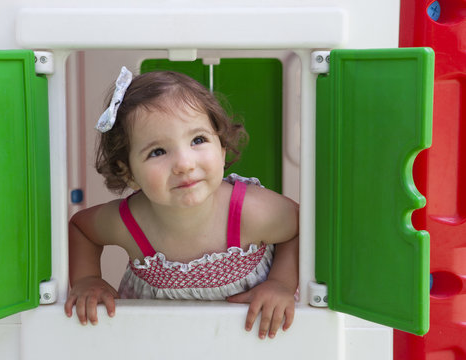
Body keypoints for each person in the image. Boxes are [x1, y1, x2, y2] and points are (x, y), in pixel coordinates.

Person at [64, 67, 299, 339]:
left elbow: (301, 229)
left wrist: (280, 283)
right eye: (158, 151)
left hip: (247, 337)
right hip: (160, 340)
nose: (184, 164)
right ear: (128, 172)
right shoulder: (130, 222)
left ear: (221, 149)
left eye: (198, 140)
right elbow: (81, 229)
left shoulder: (249, 212)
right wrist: (87, 279)